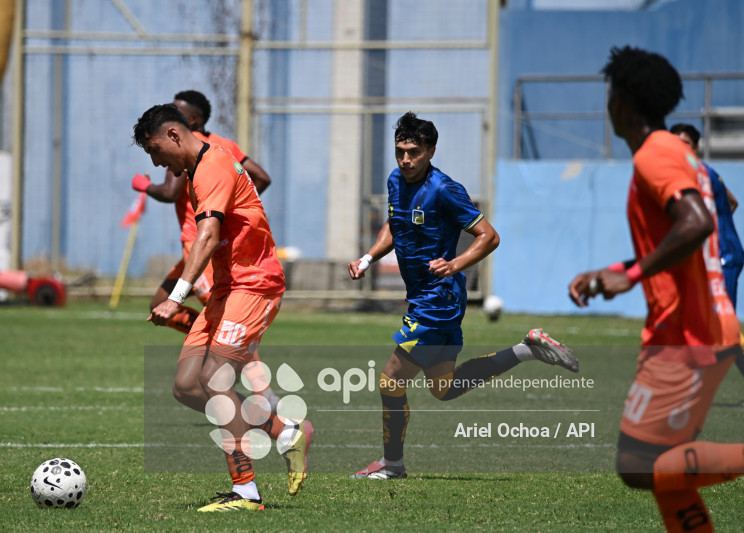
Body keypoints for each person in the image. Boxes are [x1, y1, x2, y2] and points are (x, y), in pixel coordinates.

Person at [568, 46, 744, 533]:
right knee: (667, 468)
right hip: (697, 324)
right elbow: (677, 234)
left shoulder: (655, 154)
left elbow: (696, 223)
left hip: (686, 333)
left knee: (638, 465)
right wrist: (615, 269)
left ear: (622, 101)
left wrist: (633, 274)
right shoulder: (675, 152)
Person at [348, 112, 579, 480]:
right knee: (443, 388)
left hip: (437, 300)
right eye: (400, 152)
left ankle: (393, 467)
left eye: (414, 152)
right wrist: (368, 256)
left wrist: (454, 265)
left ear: (431, 150)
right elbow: (395, 223)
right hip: (428, 297)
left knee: (391, 381)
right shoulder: (396, 181)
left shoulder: (444, 189)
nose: (405, 160)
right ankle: (526, 349)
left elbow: (489, 235)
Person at [133, 103, 312, 512]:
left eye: (155, 150)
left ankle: (246, 492)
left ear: (175, 135)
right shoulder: (203, 166)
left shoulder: (212, 166)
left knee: (214, 380)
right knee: (186, 385)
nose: (157, 160)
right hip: (227, 289)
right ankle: (285, 432)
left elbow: (209, 234)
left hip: (254, 286)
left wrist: (174, 298)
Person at [133, 90, 280, 409]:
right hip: (203, 246)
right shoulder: (224, 147)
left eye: (179, 110)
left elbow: (172, 192)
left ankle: (265, 396)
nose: (157, 161)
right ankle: (267, 411)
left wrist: (144, 185)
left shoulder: (200, 155)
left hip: (202, 244)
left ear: (190, 121)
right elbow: (261, 178)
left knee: (227, 321)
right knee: (161, 303)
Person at [669, 123, 744, 378]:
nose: (680, 148)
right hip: (718, 253)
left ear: (696, 147)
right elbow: (732, 202)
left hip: (725, 256)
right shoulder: (705, 172)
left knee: (723, 328)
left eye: (686, 143)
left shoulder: (697, 175)